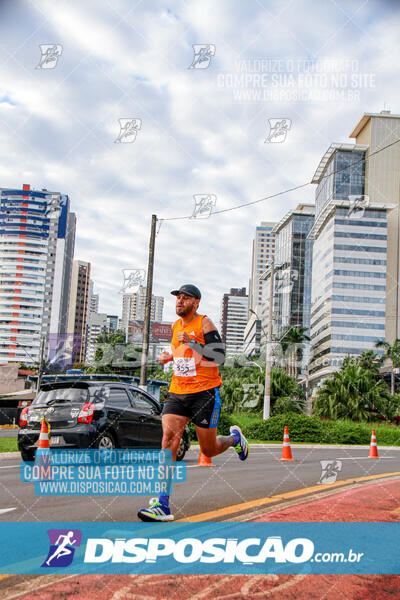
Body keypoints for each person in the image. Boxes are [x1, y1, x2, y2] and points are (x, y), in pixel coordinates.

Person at [138, 284, 248, 522]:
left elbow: (219, 356)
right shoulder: (176, 326)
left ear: (196, 303)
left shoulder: (204, 323)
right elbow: (183, 355)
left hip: (205, 393)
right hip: (178, 391)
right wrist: (169, 357)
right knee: (168, 440)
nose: (180, 301)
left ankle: (234, 440)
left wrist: (192, 341)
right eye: (178, 297)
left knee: (208, 449)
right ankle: (162, 504)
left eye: (185, 298)